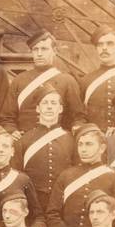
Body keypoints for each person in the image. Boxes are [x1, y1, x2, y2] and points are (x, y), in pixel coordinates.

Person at [45, 123, 115, 227]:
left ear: (102, 148)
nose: (83, 149)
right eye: (80, 144)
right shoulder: (66, 176)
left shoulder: (114, 178)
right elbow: (52, 214)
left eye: (89, 144)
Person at [0, 29, 85, 133]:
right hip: (25, 139)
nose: (39, 53)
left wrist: (75, 128)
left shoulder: (67, 81)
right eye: (35, 49)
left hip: (55, 140)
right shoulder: (19, 80)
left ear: (54, 52)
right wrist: (12, 130)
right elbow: (7, 117)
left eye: (44, 49)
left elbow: (78, 117)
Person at [12, 85, 75, 213]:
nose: (49, 107)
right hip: (33, 203)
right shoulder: (24, 140)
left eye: (53, 103)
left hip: (63, 203)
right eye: (45, 103)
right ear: (38, 108)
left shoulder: (71, 139)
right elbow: (16, 175)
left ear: (60, 108)